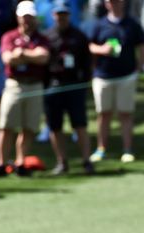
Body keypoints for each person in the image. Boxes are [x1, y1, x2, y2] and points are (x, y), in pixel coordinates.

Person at [0, 0, 50, 178]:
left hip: (35, 84)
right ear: (18, 17)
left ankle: (20, 162)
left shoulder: (42, 38)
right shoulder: (9, 36)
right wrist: (30, 55)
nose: (27, 20)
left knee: (29, 127)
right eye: (24, 16)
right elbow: (8, 58)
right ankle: (1, 163)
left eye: (30, 16)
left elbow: (43, 57)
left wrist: (23, 54)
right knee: (6, 126)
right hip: (14, 84)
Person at [88, 0, 144, 164]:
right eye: (110, 1)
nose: (114, 4)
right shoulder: (99, 24)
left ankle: (127, 150)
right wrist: (102, 50)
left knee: (125, 114)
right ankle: (101, 149)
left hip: (126, 76)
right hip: (102, 76)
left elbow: (142, 46)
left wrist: (140, 68)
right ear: (106, 4)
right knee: (104, 114)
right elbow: (90, 46)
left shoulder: (132, 24)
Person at [44, 0, 94, 175]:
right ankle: (61, 162)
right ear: (53, 15)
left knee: (79, 124)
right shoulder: (47, 37)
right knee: (55, 127)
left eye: (64, 14)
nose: (61, 18)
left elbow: (87, 64)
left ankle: (86, 160)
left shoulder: (79, 36)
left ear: (69, 15)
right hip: (53, 87)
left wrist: (85, 84)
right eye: (58, 14)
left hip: (74, 86)